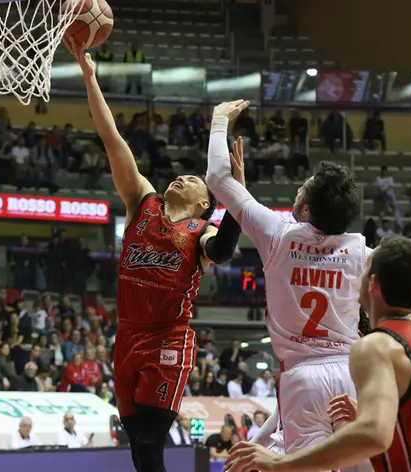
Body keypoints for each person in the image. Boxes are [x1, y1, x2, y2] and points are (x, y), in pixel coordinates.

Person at [205, 101, 411, 471]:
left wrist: (218, 122)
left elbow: (217, 178)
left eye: (302, 189)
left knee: (300, 465)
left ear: (306, 208)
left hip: (303, 376)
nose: (296, 192)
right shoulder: (359, 250)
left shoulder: (276, 232)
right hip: (353, 370)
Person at [66, 39, 243, 472]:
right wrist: (89, 76)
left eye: (192, 179)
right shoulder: (141, 203)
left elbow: (222, 252)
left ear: (205, 202)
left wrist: (236, 196)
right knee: (139, 451)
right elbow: (111, 137)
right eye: (179, 175)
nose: (181, 178)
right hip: (126, 338)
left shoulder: (204, 229)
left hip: (168, 338)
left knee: (149, 443)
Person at [224, 236, 411, 471]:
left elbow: (373, 435)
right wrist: (373, 413)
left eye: (363, 270)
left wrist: (281, 463)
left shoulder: (377, 345)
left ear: (373, 284)